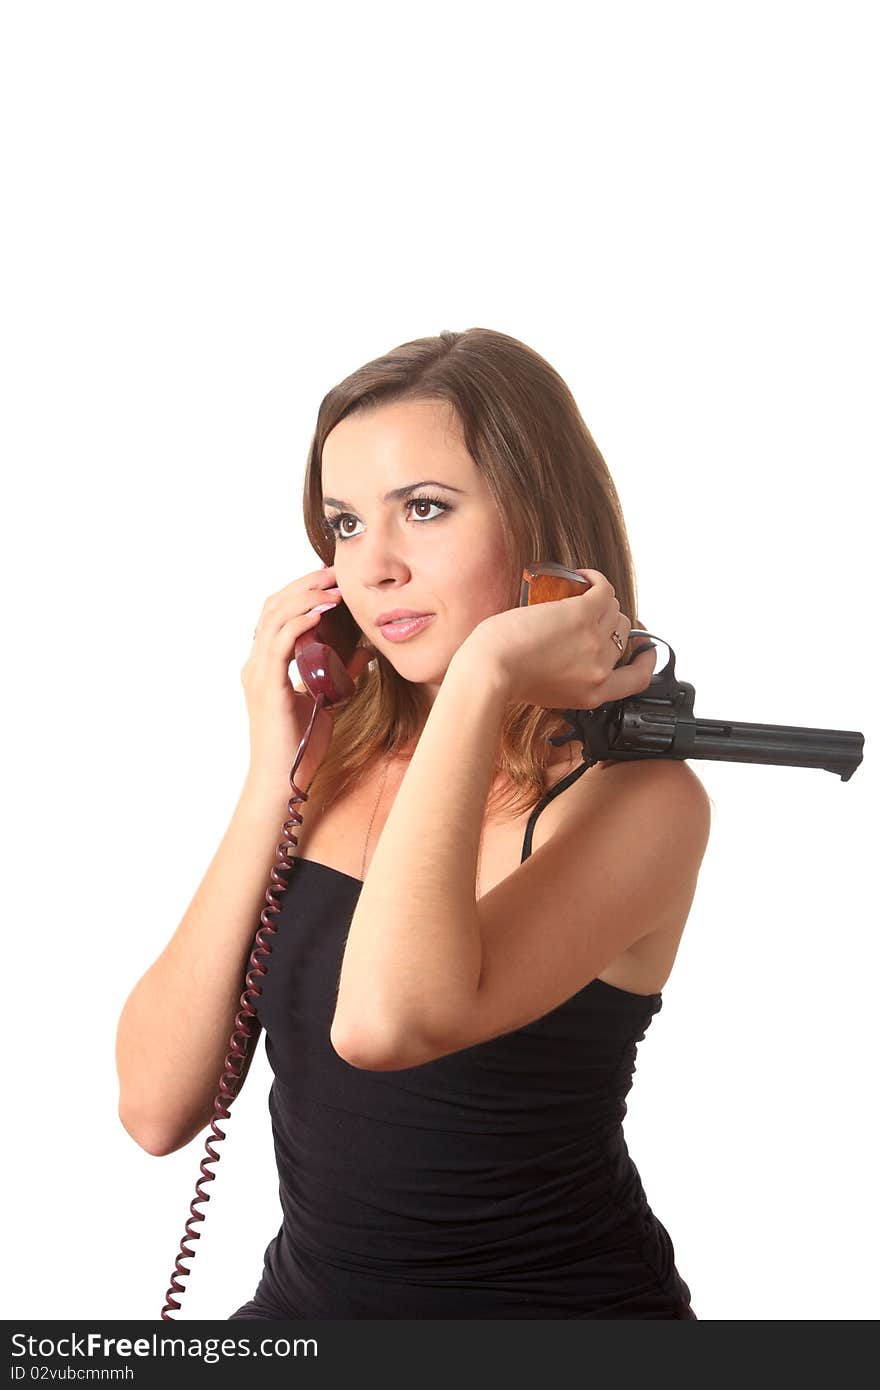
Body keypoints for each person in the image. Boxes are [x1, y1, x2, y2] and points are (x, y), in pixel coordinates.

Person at [117, 327, 710, 1319]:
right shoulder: (333, 761)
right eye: (345, 525)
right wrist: (276, 771)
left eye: (424, 510)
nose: (372, 566)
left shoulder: (637, 801)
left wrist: (483, 677)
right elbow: (153, 1105)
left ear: (540, 524)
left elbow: (386, 1022)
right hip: (307, 1315)